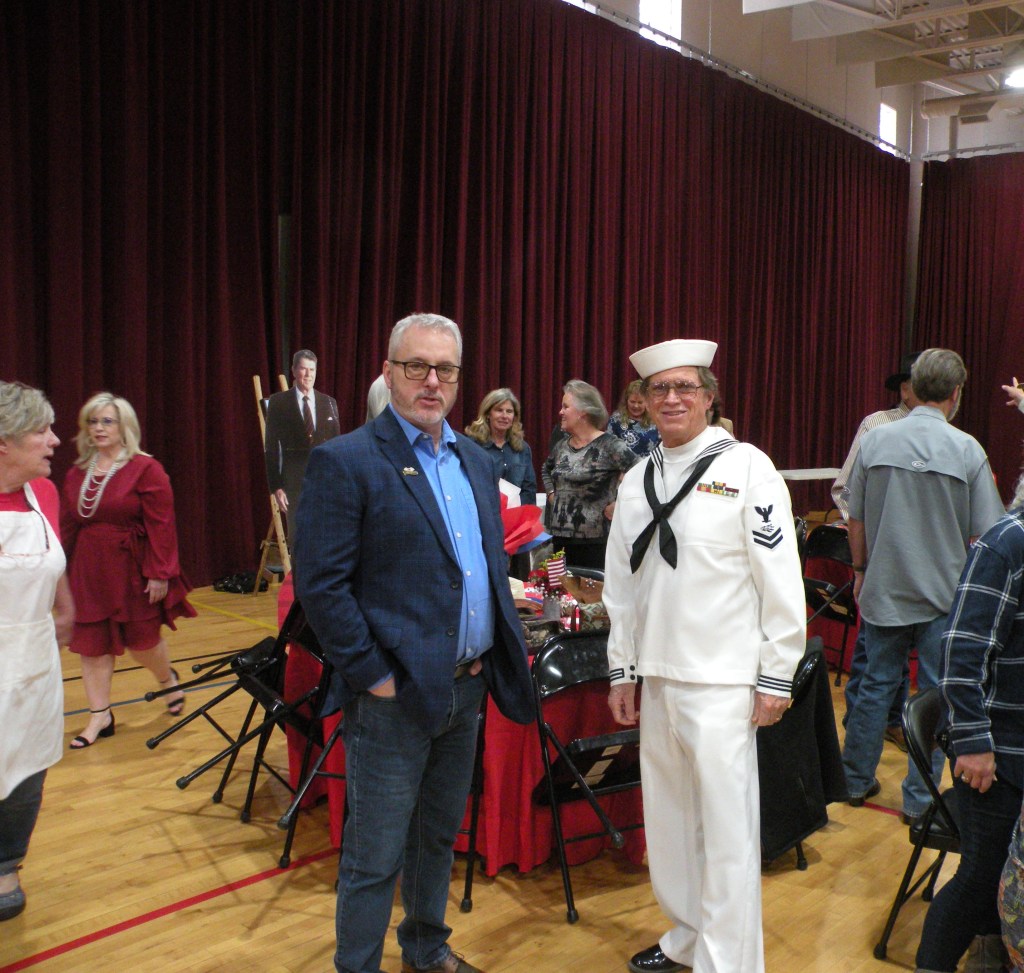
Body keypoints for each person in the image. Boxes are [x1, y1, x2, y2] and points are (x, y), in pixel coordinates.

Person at [294, 313, 534, 973]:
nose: (432, 381)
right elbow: (322, 586)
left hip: (466, 686)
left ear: (458, 378)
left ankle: (426, 950)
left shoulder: (477, 461)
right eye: (416, 366)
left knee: (436, 838)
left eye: (445, 369)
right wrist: (374, 675)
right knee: (374, 855)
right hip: (393, 698)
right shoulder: (346, 460)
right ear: (388, 370)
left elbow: (485, 565)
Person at [603, 339, 806, 973]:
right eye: (659, 389)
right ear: (642, 402)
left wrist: (777, 674)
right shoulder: (636, 480)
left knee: (726, 834)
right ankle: (686, 937)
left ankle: (729, 962)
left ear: (710, 397)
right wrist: (622, 669)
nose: (672, 398)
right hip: (658, 677)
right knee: (669, 826)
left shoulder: (748, 468)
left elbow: (780, 578)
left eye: (685, 387)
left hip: (723, 681)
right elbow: (621, 586)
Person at [841, 348, 1005, 822]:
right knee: (935, 696)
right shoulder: (968, 449)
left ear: (911, 387)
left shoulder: (875, 440)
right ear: (956, 393)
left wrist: (859, 570)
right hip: (945, 596)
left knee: (874, 686)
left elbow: (855, 518)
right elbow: (988, 532)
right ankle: (920, 799)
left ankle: (854, 780)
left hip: (883, 588)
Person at [915, 482, 1024, 973]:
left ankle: (995, 951)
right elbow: (961, 652)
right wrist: (974, 742)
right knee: (981, 878)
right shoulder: (1007, 543)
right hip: (1000, 756)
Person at [61, 393, 195, 748]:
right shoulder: (77, 473)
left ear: (125, 427)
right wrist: (56, 571)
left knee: (143, 643)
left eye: (107, 421)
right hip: (89, 570)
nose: (99, 428)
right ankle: (99, 715)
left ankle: (167, 680)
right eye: (93, 421)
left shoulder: (146, 468)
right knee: (93, 647)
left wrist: (160, 572)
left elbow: (161, 524)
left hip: (132, 569)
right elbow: (67, 526)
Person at [0, 382, 73, 921]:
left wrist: (64, 606)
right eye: (41, 431)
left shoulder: (44, 494)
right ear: (3, 442)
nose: (54, 440)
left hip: (34, 662)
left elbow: (53, 558)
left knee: (27, 767)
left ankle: (6, 863)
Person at [833, 352, 922, 752]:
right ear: (904, 389)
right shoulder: (877, 425)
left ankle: (893, 721)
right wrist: (865, 542)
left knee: (903, 649)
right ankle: (860, 730)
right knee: (874, 653)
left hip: (924, 562)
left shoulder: (951, 436)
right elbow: (845, 490)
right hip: (881, 558)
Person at [541, 379, 637, 570]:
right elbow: (546, 469)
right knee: (559, 588)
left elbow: (641, 472)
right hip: (559, 539)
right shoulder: (561, 446)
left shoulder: (610, 445)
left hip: (595, 543)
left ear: (583, 412)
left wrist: (620, 504)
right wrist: (552, 494)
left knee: (592, 590)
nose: (560, 412)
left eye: (565, 407)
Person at [264, 349, 340, 524]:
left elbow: (336, 447)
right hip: (293, 484)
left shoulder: (329, 402)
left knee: (323, 533)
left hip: (323, 483)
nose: (308, 374)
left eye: (312, 369)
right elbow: (271, 448)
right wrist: (276, 486)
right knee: (298, 535)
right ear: (294, 370)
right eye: (303, 369)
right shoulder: (278, 402)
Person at [464, 388, 537, 504]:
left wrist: (515, 510)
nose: (504, 416)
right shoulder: (472, 446)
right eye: (499, 410)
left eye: (509, 411)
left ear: (514, 417)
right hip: (483, 511)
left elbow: (529, 490)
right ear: (488, 414)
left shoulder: (522, 448)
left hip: (516, 513)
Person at [608, 379, 661, 457]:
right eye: (632, 402)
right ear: (626, 401)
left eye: (640, 402)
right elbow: (608, 447)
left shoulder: (655, 421)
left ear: (647, 402)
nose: (636, 406)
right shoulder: (616, 420)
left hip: (650, 463)